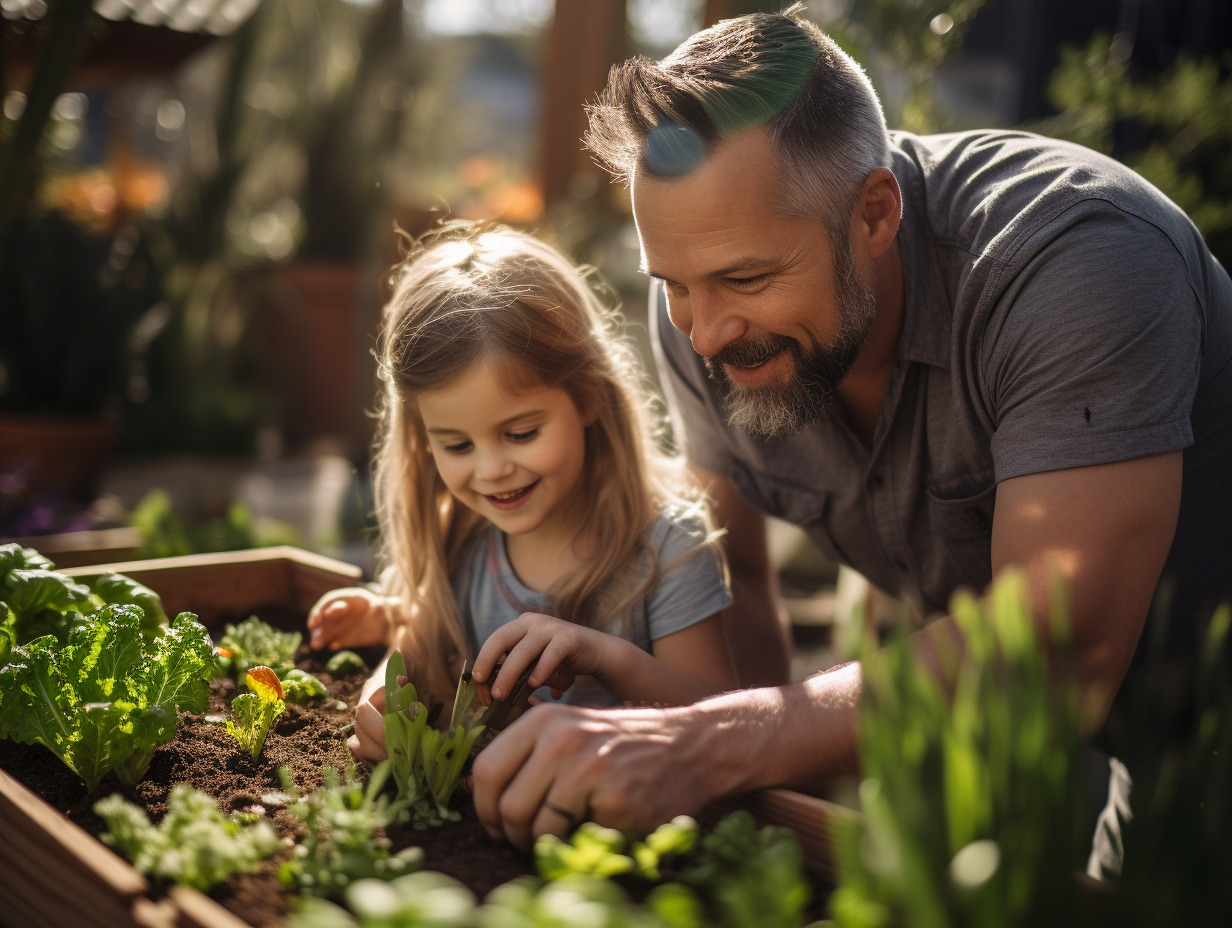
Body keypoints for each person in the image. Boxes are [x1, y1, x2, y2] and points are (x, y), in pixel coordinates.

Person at [470, 6, 1232, 854]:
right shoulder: (701, 309)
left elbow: (1058, 659)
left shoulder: (1076, 262)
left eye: (746, 278)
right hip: (1109, 746)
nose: (705, 331)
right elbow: (739, 584)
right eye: (673, 282)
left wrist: (705, 743)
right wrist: (738, 816)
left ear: (874, 213)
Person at [307, 221, 739, 763]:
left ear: (588, 398)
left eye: (521, 434)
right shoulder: (459, 541)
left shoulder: (668, 552)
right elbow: (410, 656)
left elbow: (724, 719)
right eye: (457, 446)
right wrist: (380, 698)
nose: (491, 470)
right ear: (423, 442)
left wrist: (607, 657)